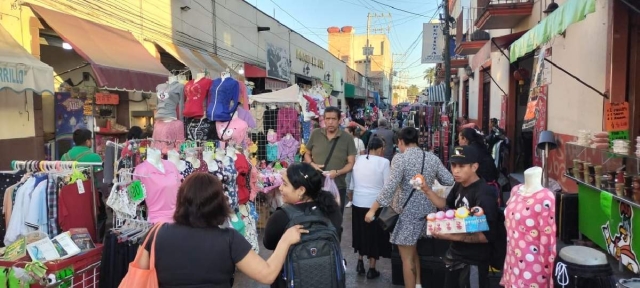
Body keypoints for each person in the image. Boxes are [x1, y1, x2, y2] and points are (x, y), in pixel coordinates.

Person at [137, 173, 308, 287]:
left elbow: (139, 277)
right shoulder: (229, 240)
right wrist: (285, 240)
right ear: (219, 203)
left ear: (182, 200)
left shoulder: (156, 234)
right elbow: (267, 274)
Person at [365, 127, 454, 288]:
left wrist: (373, 209)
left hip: (406, 215)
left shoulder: (400, 158)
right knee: (413, 252)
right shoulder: (431, 158)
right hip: (427, 213)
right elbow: (448, 179)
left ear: (400, 141)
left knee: (406, 259)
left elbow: (390, 187)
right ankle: (418, 284)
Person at [420, 146, 499, 288]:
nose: (455, 170)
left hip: (473, 261)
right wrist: (426, 189)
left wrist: (447, 236)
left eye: (461, 166)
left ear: (474, 167)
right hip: (455, 256)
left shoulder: (484, 193)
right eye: (453, 165)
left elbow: (486, 236)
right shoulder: (459, 185)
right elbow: (445, 205)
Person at [263, 163, 343, 288]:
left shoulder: (281, 217)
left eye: (285, 184)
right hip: (327, 279)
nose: (280, 188)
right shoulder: (332, 209)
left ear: (301, 190)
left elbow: (268, 243)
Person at [350, 136, 392, 279]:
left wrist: (352, 196)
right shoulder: (385, 162)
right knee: (374, 235)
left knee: (361, 232)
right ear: (380, 148)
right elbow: (387, 187)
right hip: (375, 204)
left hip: (358, 201)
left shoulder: (359, 160)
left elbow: (352, 183)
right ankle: (372, 268)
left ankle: (360, 262)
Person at [304, 106, 357, 215]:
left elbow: (351, 163)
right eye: (327, 119)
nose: (330, 122)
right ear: (324, 120)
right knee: (316, 217)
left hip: (338, 186)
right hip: (317, 185)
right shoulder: (316, 133)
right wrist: (312, 164)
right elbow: (307, 153)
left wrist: (337, 173)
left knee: (336, 217)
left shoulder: (347, 138)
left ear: (339, 120)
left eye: (333, 119)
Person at [458, 128, 500, 196]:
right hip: (492, 184)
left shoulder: (469, 150)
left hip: (483, 188)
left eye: (459, 140)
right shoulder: (480, 146)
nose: (459, 142)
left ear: (464, 139)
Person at [345, 125, 366, 208]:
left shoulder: (359, 141)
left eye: (346, 132)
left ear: (351, 132)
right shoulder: (344, 142)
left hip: (357, 166)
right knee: (348, 184)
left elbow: (362, 154)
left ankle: (355, 200)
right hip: (347, 166)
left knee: (357, 184)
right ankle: (350, 200)